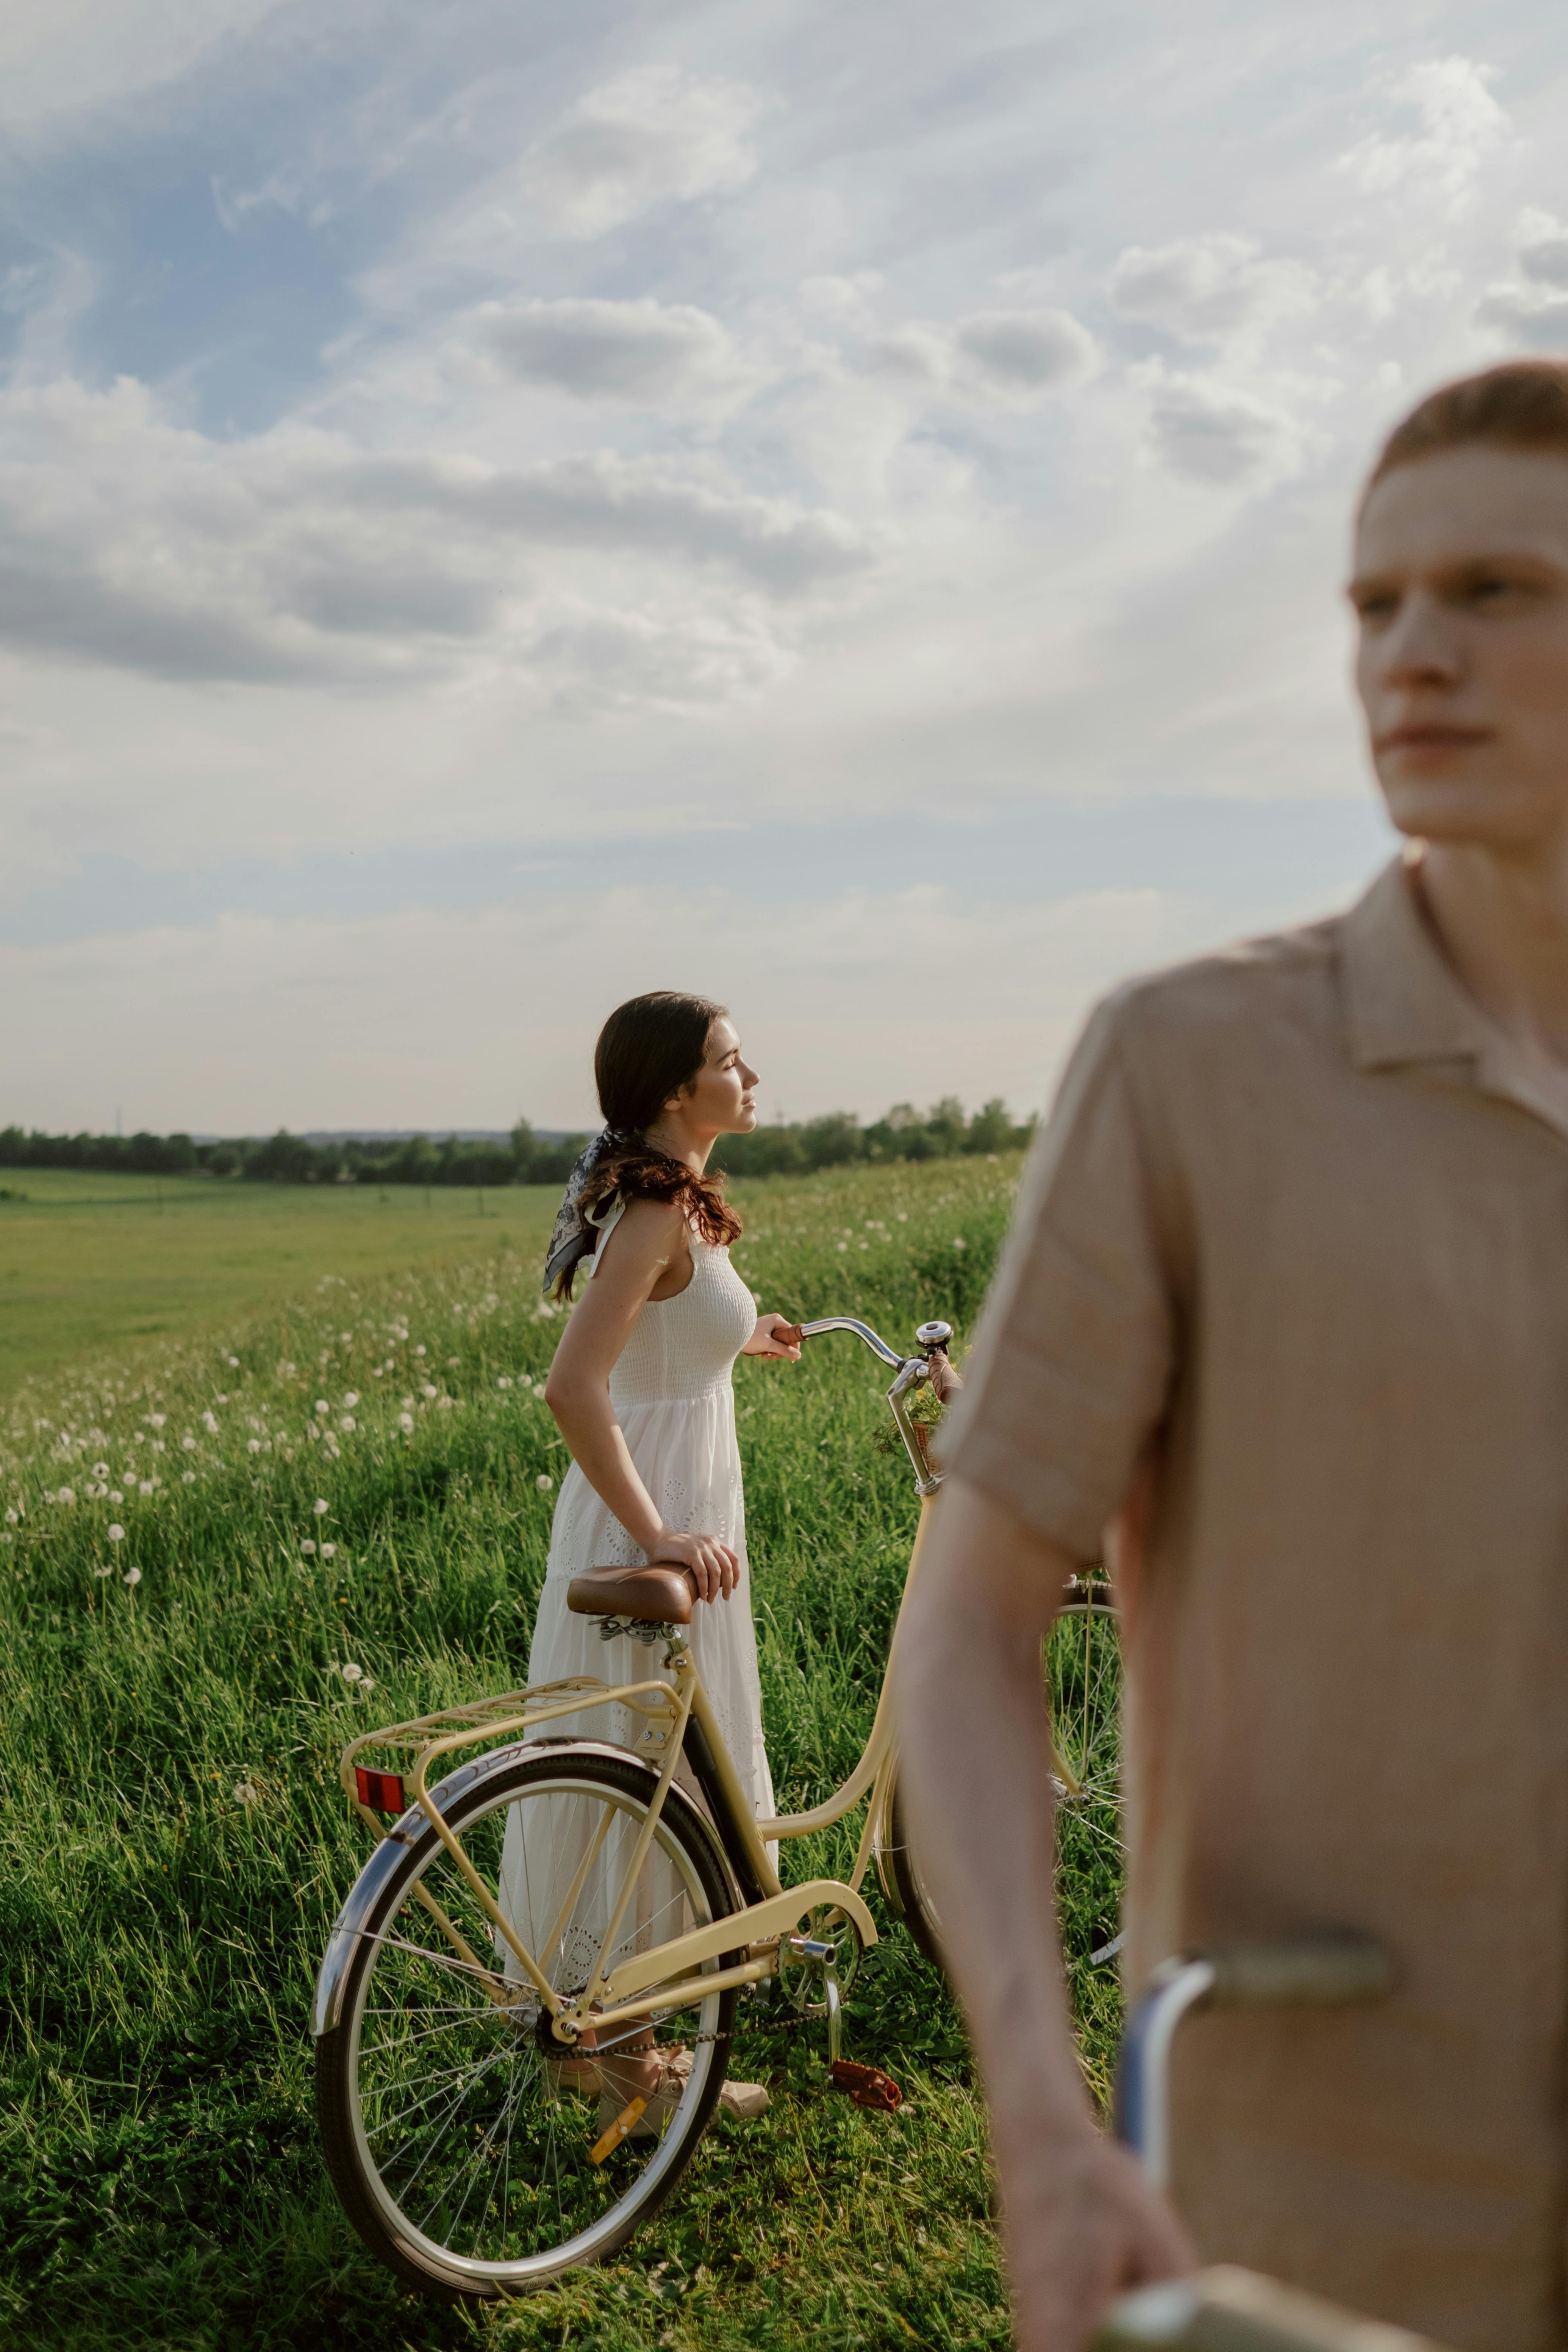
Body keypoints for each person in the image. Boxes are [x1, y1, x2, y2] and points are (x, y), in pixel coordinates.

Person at [895, 358, 1568, 2352]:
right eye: (1370, 607)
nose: (1407, 657)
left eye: (1490, 592)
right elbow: (969, 1623)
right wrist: (1031, 2102)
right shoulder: (1188, 1066)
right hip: (1309, 2211)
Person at [499, 989, 802, 2127]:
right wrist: (656, 1533)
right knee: (644, 1764)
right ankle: (624, 2047)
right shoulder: (652, 1210)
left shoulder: (667, 1202)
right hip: (653, 1517)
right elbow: (574, 1387)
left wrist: (747, 1337)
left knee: (658, 1759)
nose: (752, 1073)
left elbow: (667, 1344)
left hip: (673, 1505)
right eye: (732, 1058)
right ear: (679, 1090)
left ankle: (615, 2034)